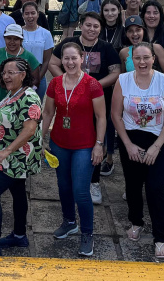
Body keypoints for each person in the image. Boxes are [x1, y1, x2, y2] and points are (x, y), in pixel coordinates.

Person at [111, 42, 164, 259]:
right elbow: (116, 115)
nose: (142, 62)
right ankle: (136, 221)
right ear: (132, 59)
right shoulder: (123, 80)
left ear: (153, 58)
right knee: (132, 184)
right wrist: (128, 144)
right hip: (131, 136)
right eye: (137, 58)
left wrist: (157, 146)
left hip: (158, 138)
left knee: (155, 187)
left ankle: (160, 236)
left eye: (146, 57)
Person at [49, 12, 121, 203]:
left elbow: (116, 72)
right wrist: (61, 82)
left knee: (96, 139)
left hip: (96, 100)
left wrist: (93, 87)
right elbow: (53, 63)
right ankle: (72, 176)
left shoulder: (106, 47)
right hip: (70, 99)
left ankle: (94, 182)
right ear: (82, 25)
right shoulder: (70, 43)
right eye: (88, 25)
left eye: (96, 26)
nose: (92, 29)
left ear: (101, 28)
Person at [42, 43, 107, 257]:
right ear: (61, 60)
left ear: (82, 58)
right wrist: (41, 137)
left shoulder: (92, 84)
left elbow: (101, 117)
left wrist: (99, 144)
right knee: (63, 185)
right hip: (60, 142)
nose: (70, 62)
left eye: (74, 58)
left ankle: (87, 232)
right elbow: (49, 112)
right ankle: (69, 221)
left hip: (84, 145)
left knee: (81, 190)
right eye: (66, 58)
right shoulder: (55, 83)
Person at [0, 58, 42, 258]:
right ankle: (20, 235)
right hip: (7, 155)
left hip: (17, 157)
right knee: (18, 192)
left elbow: (30, 129)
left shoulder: (29, 97)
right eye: (4, 72)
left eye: (10, 73)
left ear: (23, 75)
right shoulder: (11, 94)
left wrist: (7, 151)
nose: (5, 76)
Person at [0, 25, 41, 101]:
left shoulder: (29, 57)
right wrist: (0, 81)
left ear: (21, 40)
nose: (12, 42)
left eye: (16, 39)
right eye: (8, 38)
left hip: (21, 100)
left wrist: (19, 87)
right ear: (4, 38)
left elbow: (36, 81)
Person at [20, 2, 54, 99]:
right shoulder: (19, 32)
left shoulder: (46, 33)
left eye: (33, 13)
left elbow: (47, 60)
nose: (30, 16)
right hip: (21, 75)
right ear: (23, 15)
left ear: (38, 14)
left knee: (37, 107)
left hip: (40, 74)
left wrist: (38, 78)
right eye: (27, 13)